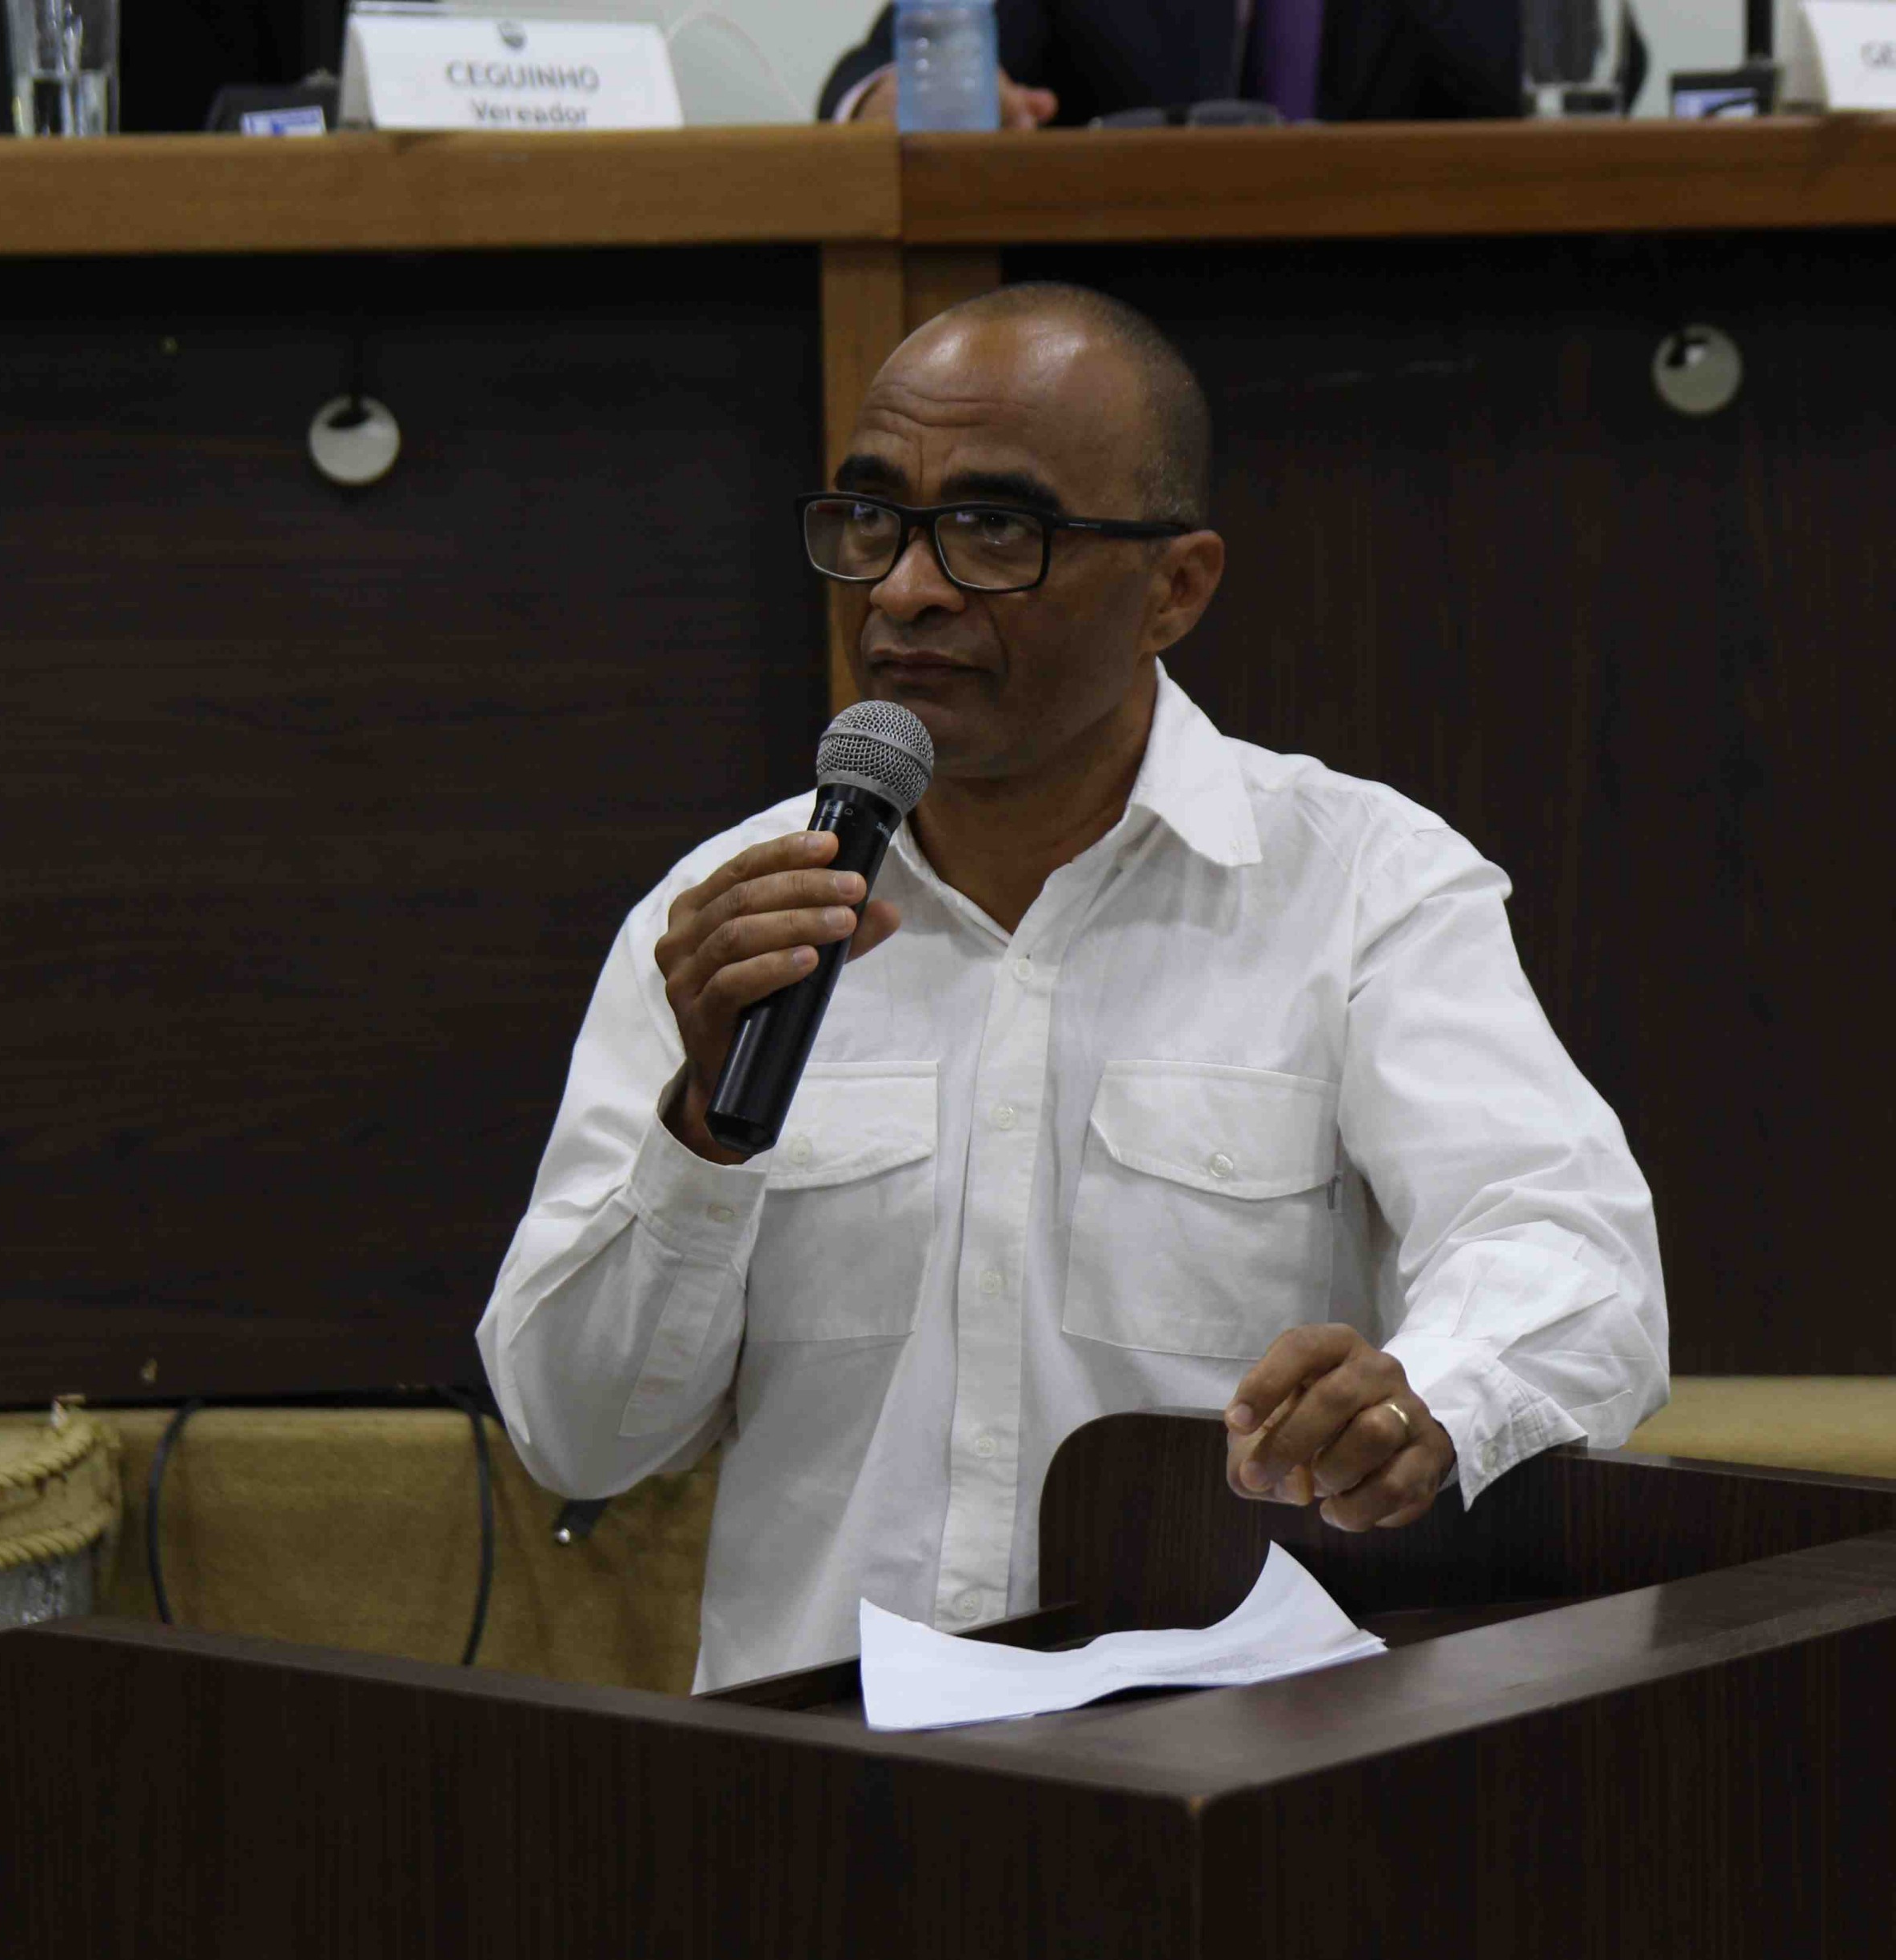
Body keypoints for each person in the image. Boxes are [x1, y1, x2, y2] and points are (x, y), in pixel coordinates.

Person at [477, 282, 1664, 1691]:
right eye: (872, 519)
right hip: (827, 1761)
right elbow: (578, 1436)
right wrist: (701, 1135)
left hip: (1219, 1764)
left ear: (1176, 587)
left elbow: (1574, 1260)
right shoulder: (726, 923)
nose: (904, 589)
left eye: (994, 528)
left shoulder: (1360, 888)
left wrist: (1422, 1404)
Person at [817, 0, 1520, 128]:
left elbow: (1556, 85)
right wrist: (908, 100)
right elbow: (870, 76)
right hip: (1126, 338)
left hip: (1430, 332)